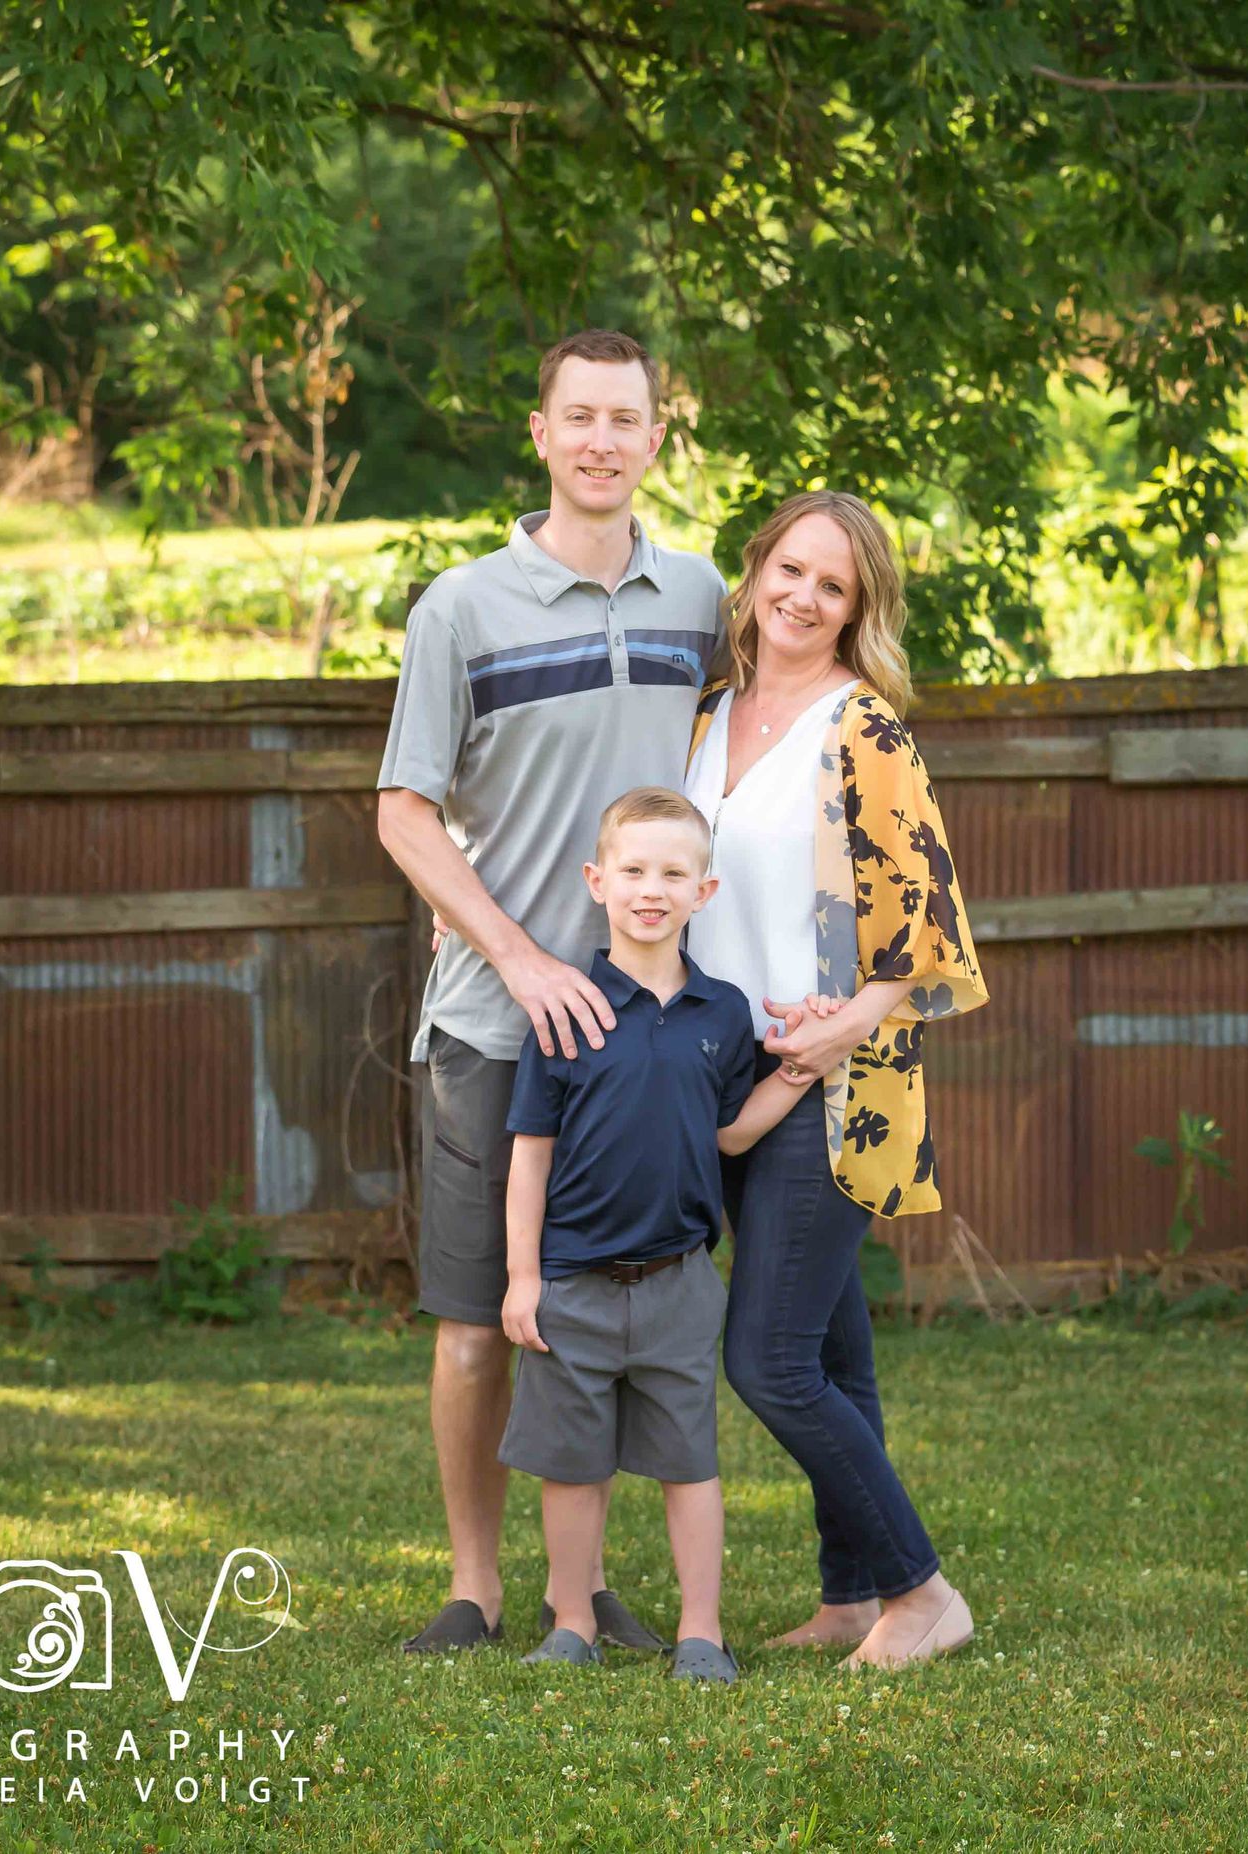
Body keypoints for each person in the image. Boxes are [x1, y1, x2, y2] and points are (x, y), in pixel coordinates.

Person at [376, 330, 728, 1655]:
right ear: (540, 432)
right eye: (578, 415)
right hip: (494, 1021)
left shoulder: (698, 600)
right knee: (481, 1321)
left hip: (647, 1034)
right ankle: (475, 1585)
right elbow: (404, 813)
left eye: (625, 419)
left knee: (629, 1315)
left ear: (654, 436)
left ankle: (582, 1590)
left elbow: (751, 762)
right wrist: (522, 955)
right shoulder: (462, 609)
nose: (601, 440)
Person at [680, 489, 992, 1669]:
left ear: (859, 611)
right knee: (834, 1358)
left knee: (765, 1359)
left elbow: (931, 926)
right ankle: (849, 1595)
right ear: (757, 571)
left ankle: (923, 1592)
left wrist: (837, 1031)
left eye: (835, 587)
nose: (805, 599)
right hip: (731, 1078)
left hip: (835, 1083)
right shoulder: (708, 716)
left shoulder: (865, 730)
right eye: (792, 572)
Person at [500, 788, 816, 1680]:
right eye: (633, 871)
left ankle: (702, 1633)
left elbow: (730, 1135)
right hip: (572, 1282)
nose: (652, 889)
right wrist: (524, 1278)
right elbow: (530, 1155)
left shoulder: (722, 1014)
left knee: (690, 1462)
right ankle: (571, 1622)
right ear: (599, 882)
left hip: (680, 1278)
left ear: (703, 892)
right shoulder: (565, 1008)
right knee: (572, 1464)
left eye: (674, 873)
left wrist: (798, 1070)